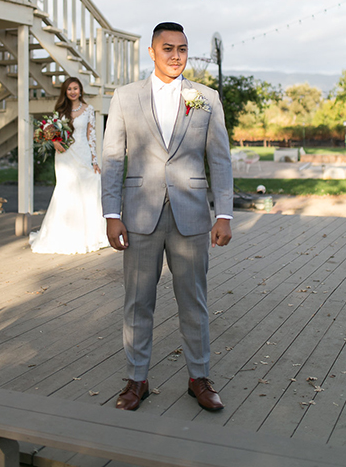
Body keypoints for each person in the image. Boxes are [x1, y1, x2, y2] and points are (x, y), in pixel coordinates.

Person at [101, 22, 233, 412]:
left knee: (194, 301)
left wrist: (222, 213)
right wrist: (111, 213)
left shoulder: (205, 98)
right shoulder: (125, 97)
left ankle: (199, 377)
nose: (176, 56)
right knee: (138, 302)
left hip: (192, 216)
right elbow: (112, 159)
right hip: (139, 214)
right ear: (152, 52)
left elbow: (220, 160)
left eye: (182, 49)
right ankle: (136, 379)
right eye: (168, 48)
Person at [29, 77, 108, 255]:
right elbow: (50, 132)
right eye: (69, 89)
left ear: (80, 90)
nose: (72, 92)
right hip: (64, 156)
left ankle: (90, 235)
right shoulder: (60, 111)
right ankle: (63, 234)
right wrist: (54, 142)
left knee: (89, 187)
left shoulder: (88, 110)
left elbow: (92, 137)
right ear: (65, 92)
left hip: (83, 154)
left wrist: (95, 161)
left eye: (75, 88)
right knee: (66, 190)